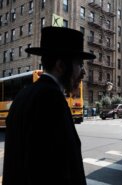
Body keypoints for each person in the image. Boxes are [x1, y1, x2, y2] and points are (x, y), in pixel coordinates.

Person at [3, 27, 96, 185]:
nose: (83, 73)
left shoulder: (23, 95)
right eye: (79, 64)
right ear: (60, 66)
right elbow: (57, 171)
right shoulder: (52, 100)